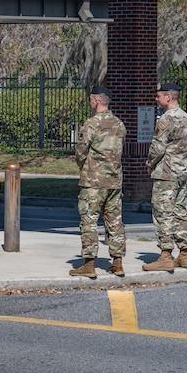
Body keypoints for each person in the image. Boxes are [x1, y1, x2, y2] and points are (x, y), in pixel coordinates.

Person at [70, 86, 127, 278]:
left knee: (89, 221)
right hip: (114, 181)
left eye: (90, 99)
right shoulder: (119, 124)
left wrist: (84, 167)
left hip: (93, 182)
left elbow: (81, 152)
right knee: (115, 221)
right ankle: (117, 262)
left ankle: (89, 264)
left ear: (95, 101)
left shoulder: (92, 124)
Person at [143, 82, 187, 271]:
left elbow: (158, 147)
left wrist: (149, 164)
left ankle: (165, 256)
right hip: (181, 172)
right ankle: (185, 254)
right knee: (180, 212)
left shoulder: (166, 119)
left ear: (168, 97)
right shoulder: (184, 116)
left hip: (166, 173)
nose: (156, 99)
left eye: (158, 96)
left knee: (162, 213)